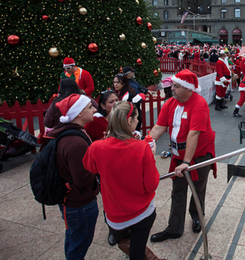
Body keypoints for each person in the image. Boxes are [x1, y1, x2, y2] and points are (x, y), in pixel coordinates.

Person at [83, 101, 162, 260]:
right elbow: (151, 185)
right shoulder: (142, 148)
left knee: (128, 243)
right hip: (142, 213)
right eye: (137, 118)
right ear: (129, 121)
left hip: (114, 215)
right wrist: (151, 156)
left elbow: (90, 168)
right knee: (138, 250)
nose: (138, 121)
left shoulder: (96, 147)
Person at [149, 69, 216, 242]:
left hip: (199, 154)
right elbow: (159, 127)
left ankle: (196, 216)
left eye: (176, 86)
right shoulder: (170, 103)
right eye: (172, 85)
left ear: (188, 89)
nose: (172, 89)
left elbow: (194, 133)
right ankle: (174, 227)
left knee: (198, 188)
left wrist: (186, 161)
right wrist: (144, 144)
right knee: (178, 190)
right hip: (178, 153)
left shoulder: (199, 103)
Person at [47, 94, 99, 259]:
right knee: (79, 243)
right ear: (78, 113)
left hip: (70, 201)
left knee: (73, 238)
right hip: (80, 203)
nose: (94, 109)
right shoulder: (76, 143)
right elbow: (82, 179)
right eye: (90, 107)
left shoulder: (69, 133)